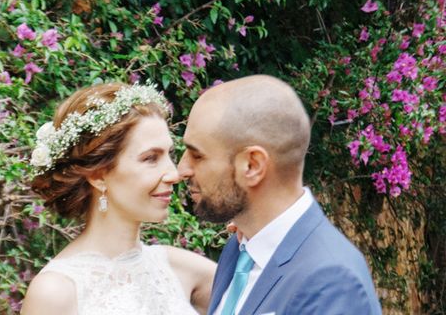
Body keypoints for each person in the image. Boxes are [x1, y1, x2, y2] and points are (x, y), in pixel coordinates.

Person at [178, 75, 382, 315]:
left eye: (197, 155)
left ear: (252, 166)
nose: (182, 169)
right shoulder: (239, 250)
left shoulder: (332, 281)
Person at [22, 82, 216, 315]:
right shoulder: (55, 292)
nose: (174, 174)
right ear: (98, 175)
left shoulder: (183, 269)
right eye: (151, 158)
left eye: (169, 155)